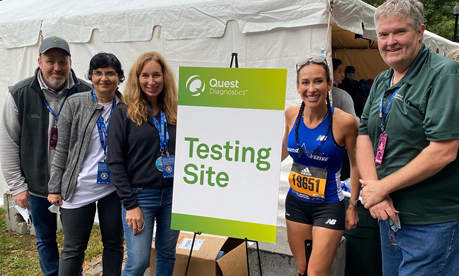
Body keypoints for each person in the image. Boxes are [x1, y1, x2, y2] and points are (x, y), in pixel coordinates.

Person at [357, 0, 459, 275]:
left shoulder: (443, 74)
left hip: (430, 223)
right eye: (383, 34)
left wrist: (380, 188)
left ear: (419, 32)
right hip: (388, 216)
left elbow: (444, 150)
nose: (390, 42)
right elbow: (364, 134)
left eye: (399, 32)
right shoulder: (381, 80)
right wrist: (375, 194)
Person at [0, 36, 91, 276]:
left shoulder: (87, 92)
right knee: (45, 239)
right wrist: (18, 187)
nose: (57, 68)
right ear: (39, 61)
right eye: (50, 61)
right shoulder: (20, 94)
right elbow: (8, 142)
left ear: (70, 62)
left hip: (76, 187)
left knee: (74, 244)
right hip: (38, 186)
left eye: (62, 61)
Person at [47, 53, 125, 276]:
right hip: (78, 186)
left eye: (110, 73)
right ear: (90, 77)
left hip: (114, 188)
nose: (104, 78)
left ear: (119, 77)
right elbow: (61, 149)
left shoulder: (127, 107)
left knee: (114, 244)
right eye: (98, 73)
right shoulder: (75, 103)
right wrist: (54, 187)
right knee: (73, 248)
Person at [281, 56, 360, 276]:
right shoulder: (290, 115)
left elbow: (356, 164)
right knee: (303, 268)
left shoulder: (345, 122)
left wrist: (353, 205)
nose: (312, 88)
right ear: (297, 87)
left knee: (316, 273)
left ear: (329, 84)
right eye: (305, 82)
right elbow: (281, 151)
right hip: (296, 202)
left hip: (329, 205)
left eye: (318, 81)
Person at [106, 51, 180, 276]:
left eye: (156, 75)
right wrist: (130, 204)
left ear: (165, 77)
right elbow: (115, 162)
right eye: (145, 75)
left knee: (167, 254)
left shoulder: (175, 111)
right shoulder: (124, 112)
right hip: (140, 196)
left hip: (174, 195)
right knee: (138, 262)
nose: (151, 81)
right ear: (136, 78)